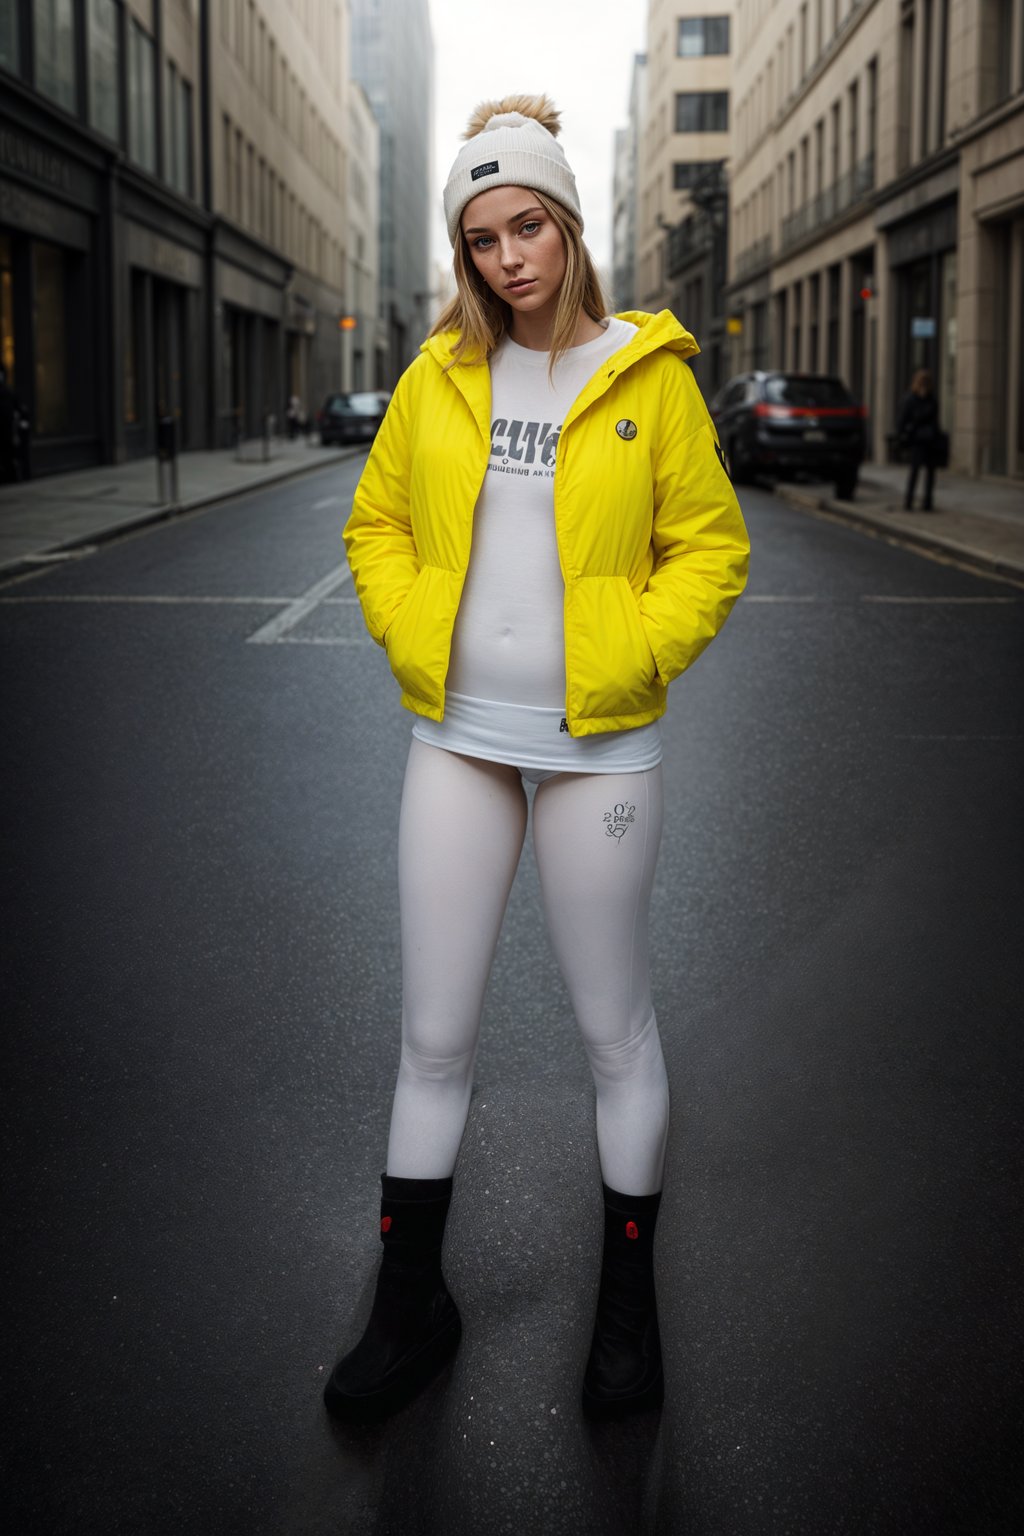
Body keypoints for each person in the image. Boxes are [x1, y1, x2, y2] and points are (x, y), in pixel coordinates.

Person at [325, 95, 750, 1424]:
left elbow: (713, 550)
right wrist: (411, 634)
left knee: (612, 1032)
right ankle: (411, 1310)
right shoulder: (439, 374)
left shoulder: (651, 375)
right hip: (456, 740)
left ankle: (629, 1318)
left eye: (527, 227)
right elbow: (375, 523)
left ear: (567, 223)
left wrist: (627, 660)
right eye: (481, 238)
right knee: (433, 1036)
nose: (509, 259)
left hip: (600, 754)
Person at [897, 368, 941, 511]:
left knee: (930, 473)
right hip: (917, 441)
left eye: (926, 383)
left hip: (929, 440)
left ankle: (927, 503)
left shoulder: (932, 399)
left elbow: (935, 421)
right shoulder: (911, 399)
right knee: (915, 471)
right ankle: (909, 501)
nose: (924, 385)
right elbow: (904, 419)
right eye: (922, 382)